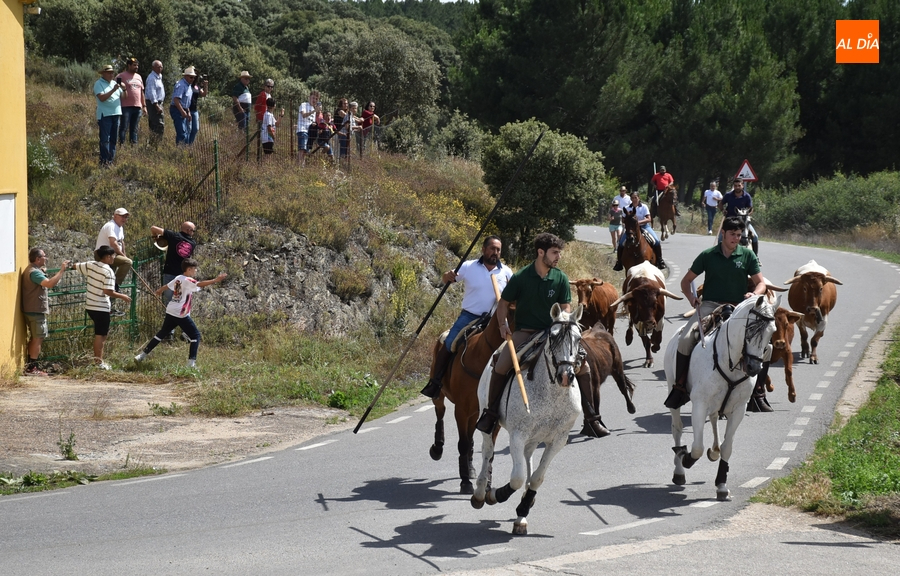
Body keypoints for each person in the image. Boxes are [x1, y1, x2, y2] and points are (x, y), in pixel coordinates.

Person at [475, 233, 573, 433]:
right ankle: (491, 413)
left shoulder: (560, 277)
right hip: (526, 332)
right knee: (501, 365)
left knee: (582, 364)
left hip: (553, 332)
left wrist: (562, 323)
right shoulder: (521, 277)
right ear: (540, 252)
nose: (558, 257)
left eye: (558, 253)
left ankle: (591, 415)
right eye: (554, 253)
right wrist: (503, 325)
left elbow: (566, 306)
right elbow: (503, 303)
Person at [664, 216, 765, 409]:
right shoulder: (708, 255)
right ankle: (680, 387)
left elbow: (761, 283)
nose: (736, 238)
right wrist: (691, 299)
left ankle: (757, 392)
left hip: (738, 306)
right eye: (732, 235)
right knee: (685, 339)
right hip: (710, 305)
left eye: (739, 235)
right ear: (723, 234)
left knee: (762, 345)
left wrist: (754, 293)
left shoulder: (747, 255)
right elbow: (686, 282)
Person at [420, 236, 513, 399]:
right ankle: (435, 383)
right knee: (449, 343)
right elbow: (449, 278)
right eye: (492, 248)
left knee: (513, 348)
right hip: (470, 316)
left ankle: (509, 389)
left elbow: (513, 296)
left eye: (498, 249)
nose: (495, 252)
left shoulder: (506, 272)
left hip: (495, 319)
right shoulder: (469, 266)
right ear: (483, 249)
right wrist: (447, 276)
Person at [134, 258, 227, 368]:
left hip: (171, 310)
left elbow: (167, 286)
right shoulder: (188, 280)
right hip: (180, 313)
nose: (196, 271)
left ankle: (142, 355)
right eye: (194, 269)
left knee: (162, 333)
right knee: (195, 335)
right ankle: (191, 364)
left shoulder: (178, 278)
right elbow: (199, 284)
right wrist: (215, 280)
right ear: (188, 269)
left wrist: (159, 291)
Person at [73, 245, 132, 370]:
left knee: (99, 334)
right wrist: (123, 296)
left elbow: (75, 266)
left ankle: (97, 360)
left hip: (90, 305)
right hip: (101, 307)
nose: (114, 258)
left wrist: (67, 265)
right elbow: (108, 291)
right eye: (113, 256)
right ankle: (98, 362)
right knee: (101, 335)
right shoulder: (108, 271)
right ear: (107, 257)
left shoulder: (90, 264)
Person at [21, 248, 71, 376]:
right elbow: (49, 284)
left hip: (31, 309)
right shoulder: (34, 273)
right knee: (38, 338)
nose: (46, 258)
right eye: (44, 256)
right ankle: (32, 368)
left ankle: (30, 365)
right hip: (35, 310)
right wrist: (61, 271)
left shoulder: (33, 270)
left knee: (35, 337)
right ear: (38, 259)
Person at [613, 192, 667, 271]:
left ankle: (660, 260)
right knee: (621, 243)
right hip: (631, 228)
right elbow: (623, 219)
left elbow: (649, 219)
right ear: (630, 199)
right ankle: (619, 262)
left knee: (656, 241)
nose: (634, 199)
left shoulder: (644, 207)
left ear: (639, 198)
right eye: (632, 198)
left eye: (636, 198)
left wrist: (638, 222)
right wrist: (629, 221)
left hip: (644, 226)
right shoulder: (627, 208)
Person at [150, 221, 197, 304]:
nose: (193, 233)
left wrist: (156, 237)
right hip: (182, 275)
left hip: (169, 272)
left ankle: (168, 315)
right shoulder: (193, 243)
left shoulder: (173, 235)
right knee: (178, 300)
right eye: (193, 231)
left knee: (168, 300)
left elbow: (153, 228)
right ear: (189, 230)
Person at [95, 207, 132, 306]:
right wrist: (125, 257)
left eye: (126, 217)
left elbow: (121, 242)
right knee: (127, 262)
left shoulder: (119, 227)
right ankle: (115, 285)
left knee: (109, 278)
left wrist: (124, 255)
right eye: (122, 216)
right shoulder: (111, 226)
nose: (124, 219)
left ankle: (110, 305)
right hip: (103, 254)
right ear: (115, 216)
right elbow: (113, 244)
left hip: (111, 255)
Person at [94, 64, 124, 166]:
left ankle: (110, 161)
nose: (112, 74)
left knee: (113, 139)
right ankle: (104, 161)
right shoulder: (98, 84)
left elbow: (124, 97)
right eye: (109, 72)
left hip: (116, 113)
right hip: (105, 114)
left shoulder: (115, 83)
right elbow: (101, 98)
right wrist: (113, 90)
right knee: (105, 139)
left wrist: (124, 89)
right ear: (104, 73)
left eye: (112, 72)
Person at [719, 177, 758, 254]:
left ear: (742, 186)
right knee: (721, 237)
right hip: (730, 220)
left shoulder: (747, 196)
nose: (737, 187)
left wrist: (746, 214)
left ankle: (756, 257)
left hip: (743, 221)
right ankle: (719, 254)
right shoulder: (728, 195)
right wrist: (723, 210)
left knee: (755, 237)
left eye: (739, 185)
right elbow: (720, 204)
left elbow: (750, 208)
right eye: (735, 185)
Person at [116, 57, 145, 146]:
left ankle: (133, 145)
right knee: (124, 127)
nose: (136, 67)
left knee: (134, 128)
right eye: (134, 65)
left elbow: (141, 92)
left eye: (137, 65)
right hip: (125, 106)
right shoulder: (120, 76)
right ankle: (122, 145)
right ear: (129, 66)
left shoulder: (139, 77)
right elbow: (116, 89)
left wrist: (144, 106)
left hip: (137, 106)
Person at [170, 67, 196, 145]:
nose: (192, 79)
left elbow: (185, 101)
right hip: (177, 110)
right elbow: (176, 100)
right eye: (191, 77)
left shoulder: (188, 86)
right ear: (186, 76)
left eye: (194, 78)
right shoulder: (181, 85)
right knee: (182, 132)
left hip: (184, 110)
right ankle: (180, 152)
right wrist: (182, 111)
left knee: (187, 131)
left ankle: (185, 150)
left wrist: (188, 112)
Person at [144, 60, 165, 144]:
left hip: (159, 103)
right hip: (154, 104)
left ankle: (156, 143)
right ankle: (155, 143)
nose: (160, 68)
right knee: (157, 124)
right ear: (153, 68)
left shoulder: (159, 76)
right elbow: (151, 92)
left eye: (161, 67)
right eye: (158, 67)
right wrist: (156, 105)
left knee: (158, 124)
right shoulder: (152, 78)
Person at [297, 90, 320, 165]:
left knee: (306, 151)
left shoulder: (314, 109)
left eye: (316, 99)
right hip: (302, 130)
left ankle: (301, 166)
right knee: (302, 149)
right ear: (309, 97)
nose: (314, 100)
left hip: (309, 131)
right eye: (313, 98)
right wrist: (313, 111)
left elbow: (311, 121)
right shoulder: (304, 105)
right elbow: (303, 115)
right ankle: (300, 167)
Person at [187, 72, 209, 145]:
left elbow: (203, 94)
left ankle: (190, 144)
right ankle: (186, 145)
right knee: (188, 129)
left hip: (194, 110)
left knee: (195, 129)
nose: (194, 78)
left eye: (195, 76)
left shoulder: (197, 86)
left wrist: (205, 86)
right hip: (187, 110)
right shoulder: (187, 85)